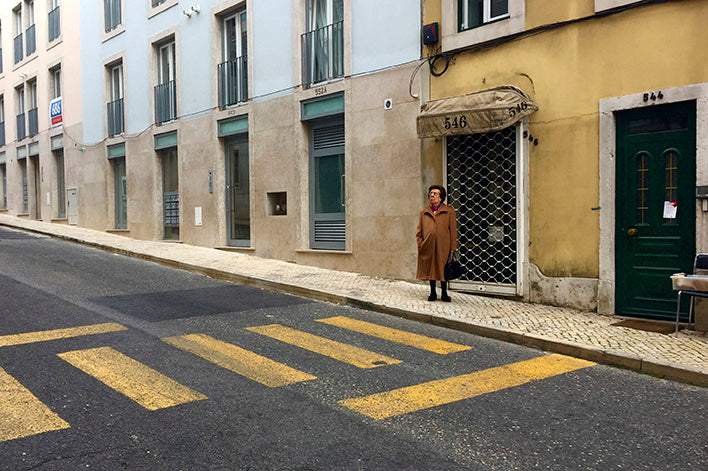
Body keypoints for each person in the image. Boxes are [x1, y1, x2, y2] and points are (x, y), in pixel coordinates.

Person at [416, 185, 457, 302]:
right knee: (431, 269)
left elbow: (453, 230)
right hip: (427, 245)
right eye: (431, 193)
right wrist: (420, 244)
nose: (432, 196)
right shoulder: (424, 212)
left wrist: (453, 247)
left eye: (435, 194)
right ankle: (433, 293)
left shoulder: (449, 211)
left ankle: (444, 293)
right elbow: (419, 230)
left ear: (441, 197)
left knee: (443, 268)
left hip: (444, 246)